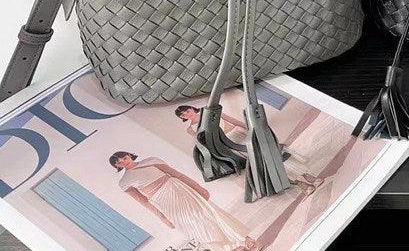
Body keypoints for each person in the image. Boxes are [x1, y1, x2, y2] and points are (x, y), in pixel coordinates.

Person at [109, 151, 259, 251]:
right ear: (116, 167)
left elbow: (176, 174)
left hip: (179, 189)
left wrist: (197, 187)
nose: (123, 161)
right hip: (163, 202)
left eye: (124, 158)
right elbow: (142, 201)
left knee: (209, 215)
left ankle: (242, 241)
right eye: (119, 162)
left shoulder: (151, 160)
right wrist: (162, 217)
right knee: (193, 225)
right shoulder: (124, 183)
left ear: (129, 155)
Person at [175, 106, 326, 196]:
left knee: (273, 152)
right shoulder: (191, 129)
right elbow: (205, 143)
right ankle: (300, 184)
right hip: (230, 144)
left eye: (186, 110)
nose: (187, 114)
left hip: (240, 133)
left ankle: (308, 175)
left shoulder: (209, 112)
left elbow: (232, 121)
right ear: (183, 117)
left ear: (191, 108)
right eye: (183, 114)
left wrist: (252, 129)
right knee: (263, 164)